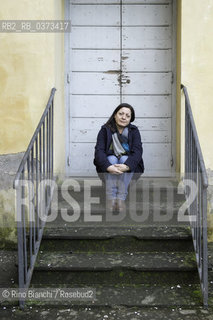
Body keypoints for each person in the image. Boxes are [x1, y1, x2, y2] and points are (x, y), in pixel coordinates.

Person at [94, 103, 144, 213]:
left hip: (126, 164)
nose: (123, 117)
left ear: (131, 118)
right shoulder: (105, 130)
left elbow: (137, 151)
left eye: (127, 115)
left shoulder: (134, 131)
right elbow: (99, 151)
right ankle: (111, 197)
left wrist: (127, 166)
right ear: (115, 115)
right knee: (111, 159)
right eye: (121, 114)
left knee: (124, 159)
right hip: (109, 165)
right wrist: (107, 167)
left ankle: (121, 198)